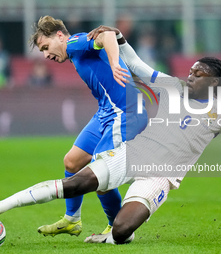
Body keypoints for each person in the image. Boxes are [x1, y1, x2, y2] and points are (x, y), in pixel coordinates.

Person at [0, 26, 221, 244]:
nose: (190, 75)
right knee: (74, 182)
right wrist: (119, 37)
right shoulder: (173, 86)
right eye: (192, 70)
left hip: (160, 177)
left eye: (198, 74)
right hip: (135, 153)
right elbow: (135, 65)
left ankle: (112, 233)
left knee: (122, 231)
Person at [26, 16, 148, 237]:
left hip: (125, 112)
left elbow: (108, 34)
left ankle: (118, 227)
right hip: (106, 112)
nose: (46, 55)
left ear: (60, 36)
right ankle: (72, 220)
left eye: (46, 47)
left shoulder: (74, 43)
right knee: (71, 162)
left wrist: (113, 63)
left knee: (102, 172)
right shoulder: (72, 52)